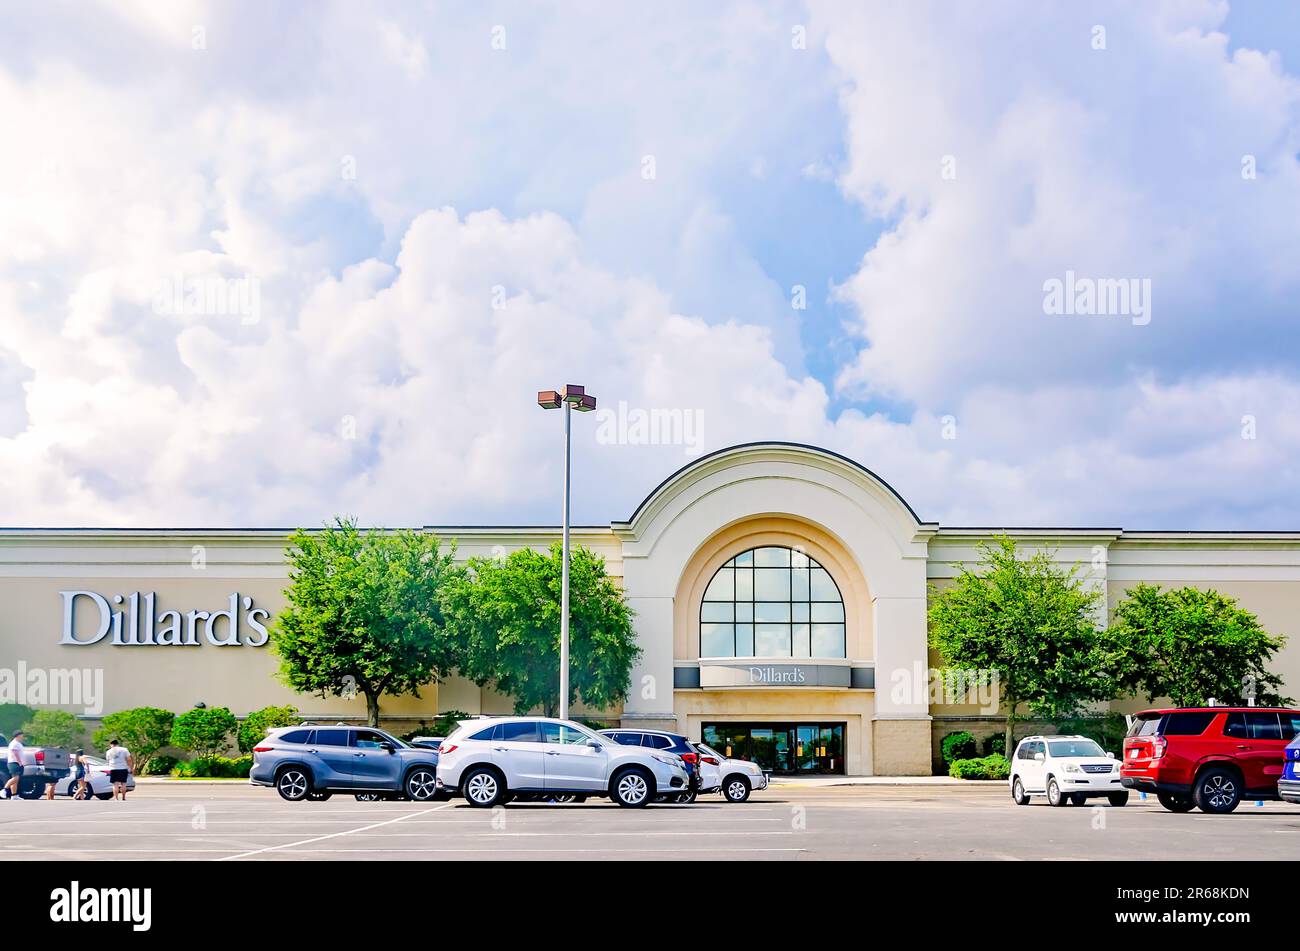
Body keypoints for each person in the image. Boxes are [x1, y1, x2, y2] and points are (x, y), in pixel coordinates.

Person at [4, 730, 25, 800]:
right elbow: (15, 753)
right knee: (16, 778)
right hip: (14, 763)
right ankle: (4, 790)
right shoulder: (14, 743)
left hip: (17, 763)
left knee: (15, 780)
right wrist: (19, 762)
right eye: (22, 735)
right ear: (18, 735)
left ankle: (14, 795)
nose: (23, 736)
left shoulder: (18, 743)